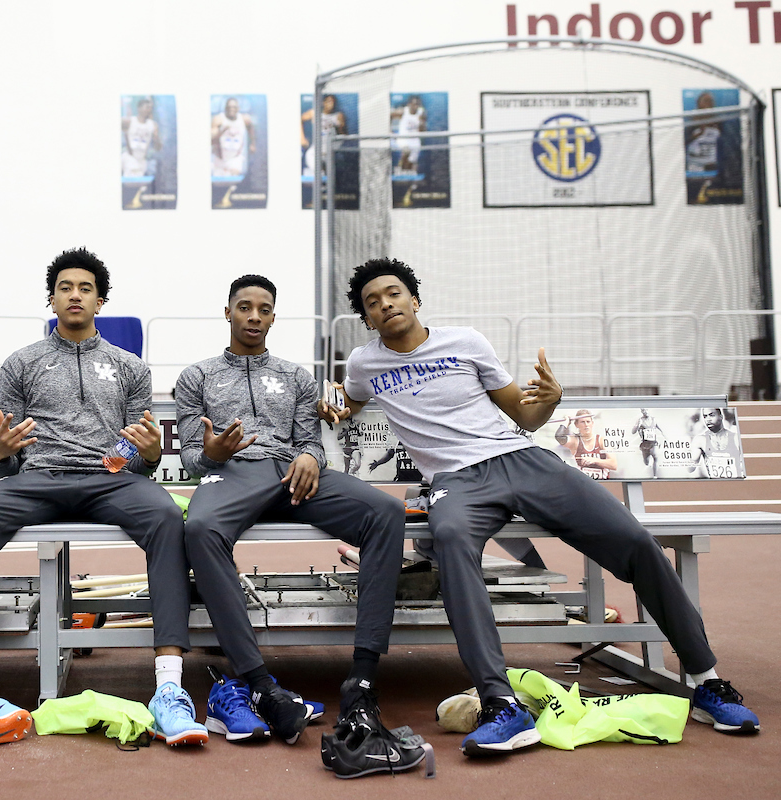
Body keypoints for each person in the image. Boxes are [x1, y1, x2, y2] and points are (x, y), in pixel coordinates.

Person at [320, 257, 760, 757]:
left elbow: (524, 415)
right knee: (448, 541)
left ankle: (706, 680)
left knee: (637, 541)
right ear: (368, 318)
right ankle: (500, 703)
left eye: (393, 293)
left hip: (524, 460)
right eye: (372, 302)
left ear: (415, 299)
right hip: (457, 483)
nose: (385, 304)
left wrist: (550, 400)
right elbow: (350, 399)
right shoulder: (364, 362)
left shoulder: (465, 342)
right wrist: (335, 401)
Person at [0, 248, 205, 751]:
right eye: (65, 287)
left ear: (100, 300)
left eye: (85, 288)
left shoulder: (130, 367)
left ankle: (169, 688)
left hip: (108, 481)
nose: (75, 295)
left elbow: (136, 450)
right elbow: (7, 454)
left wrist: (147, 457)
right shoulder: (22, 363)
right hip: (39, 478)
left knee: (167, 517)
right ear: (52, 298)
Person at [177, 274, 420, 773]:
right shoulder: (195, 376)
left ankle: (363, 677)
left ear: (272, 317)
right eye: (244, 307)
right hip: (232, 477)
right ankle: (259, 682)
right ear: (228, 312)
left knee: (384, 512)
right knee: (200, 530)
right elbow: (190, 455)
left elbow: (308, 436)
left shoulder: (294, 376)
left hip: (292, 475)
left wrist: (310, 455)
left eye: (264, 309)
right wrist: (213, 451)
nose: (254, 317)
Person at [556, 409, 618, 479]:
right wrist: (566, 423)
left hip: (603, 482)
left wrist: (594, 460)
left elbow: (613, 465)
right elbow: (559, 437)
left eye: (588, 422)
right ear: (576, 425)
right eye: (582, 422)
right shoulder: (575, 441)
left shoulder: (602, 440)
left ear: (592, 423)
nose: (586, 425)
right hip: (584, 483)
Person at [690, 407, 744, 479]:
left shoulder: (736, 438)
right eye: (705, 416)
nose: (708, 419)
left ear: (721, 417)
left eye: (711, 415)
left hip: (735, 485)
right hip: (715, 485)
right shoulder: (700, 440)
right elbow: (690, 469)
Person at [301, 94, 347, 177]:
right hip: (317, 149)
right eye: (329, 101)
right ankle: (320, 182)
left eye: (333, 102)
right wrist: (302, 138)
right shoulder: (315, 113)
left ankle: (327, 184)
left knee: (331, 175)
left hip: (330, 150)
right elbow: (300, 119)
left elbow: (343, 135)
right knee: (317, 169)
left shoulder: (338, 115)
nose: (331, 104)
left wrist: (340, 126)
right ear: (324, 103)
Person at [212, 97, 257, 178]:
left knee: (234, 177)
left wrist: (253, 144)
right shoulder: (219, 119)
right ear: (225, 108)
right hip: (219, 158)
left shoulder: (244, 119)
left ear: (238, 108)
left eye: (234, 107)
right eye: (229, 107)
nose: (231, 109)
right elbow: (211, 140)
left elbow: (251, 128)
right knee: (219, 182)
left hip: (235, 157)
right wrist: (222, 131)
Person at [122, 97, 162, 178]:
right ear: (139, 108)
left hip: (142, 160)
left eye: (151, 108)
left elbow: (158, 148)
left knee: (140, 184)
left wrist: (156, 137)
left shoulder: (153, 125)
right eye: (147, 107)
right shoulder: (130, 121)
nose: (149, 110)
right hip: (130, 157)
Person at [391, 95, 426, 176]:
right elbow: (390, 115)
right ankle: (399, 169)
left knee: (412, 160)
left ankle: (410, 173)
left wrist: (421, 123)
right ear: (409, 104)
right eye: (414, 104)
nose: (416, 106)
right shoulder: (404, 111)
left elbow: (422, 130)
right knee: (406, 151)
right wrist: (390, 130)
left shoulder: (421, 113)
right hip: (403, 139)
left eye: (418, 104)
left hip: (414, 140)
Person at [631, 408, 664, 478]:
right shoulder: (640, 420)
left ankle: (655, 475)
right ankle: (648, 463)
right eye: (643, 410)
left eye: (646, 410)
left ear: (648, 410)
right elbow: (633, 432)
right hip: (645, 444)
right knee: (646, 462)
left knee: (655, 457)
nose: (645, 412)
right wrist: (637, 425)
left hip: (653, 442)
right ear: (641, 412)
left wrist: (665, 437)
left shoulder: (654, 419)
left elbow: (661, 429)